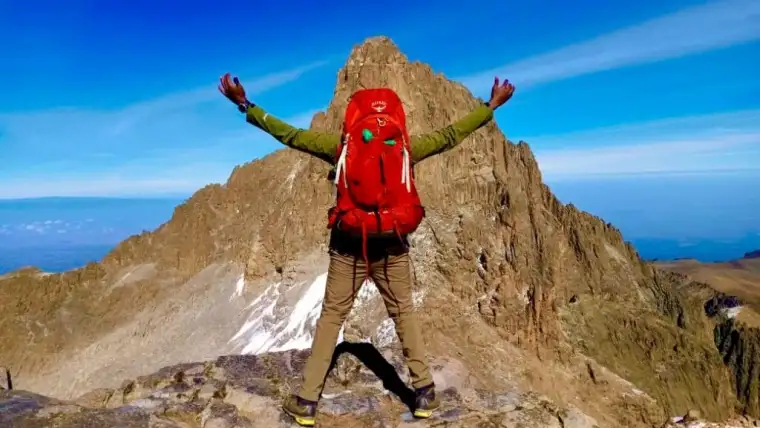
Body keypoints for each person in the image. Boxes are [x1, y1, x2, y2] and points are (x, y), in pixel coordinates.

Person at [218, 72, 515, 427]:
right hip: (392, 243)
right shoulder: (406, 148)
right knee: (403, 312)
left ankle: (308, 402)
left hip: (349, 247)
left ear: (352, 119)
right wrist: (489, 107)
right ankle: (424, 393)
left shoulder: (339, 147)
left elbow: (290, 135)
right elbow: (451, 136)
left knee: (332, 317)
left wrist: (245, 106)